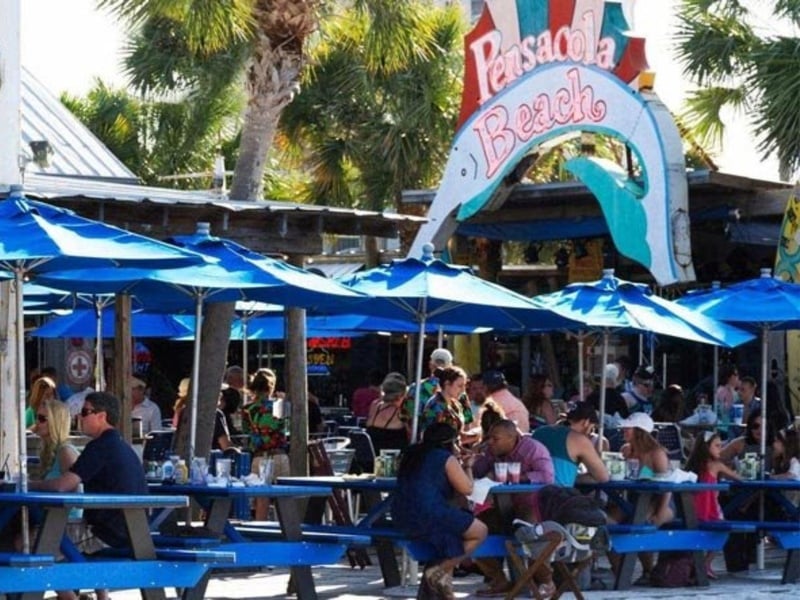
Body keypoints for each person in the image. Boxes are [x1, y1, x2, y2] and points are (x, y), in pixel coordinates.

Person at [30, 391, 148, 591]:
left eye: (85, 412)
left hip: (108, 534)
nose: (79, 417)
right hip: (129, 530)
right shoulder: (119, 446)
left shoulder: (100, 447)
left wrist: (29, 485)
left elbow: (63, 485)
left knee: (32, 541)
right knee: (48, 538)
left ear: (102, 416)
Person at [391, 423, 488, 599]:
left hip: (401, 514)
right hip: (430, 513)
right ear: (449, 442)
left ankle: (441, 588)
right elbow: (467, 489)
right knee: (480, 531)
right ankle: (439, 570)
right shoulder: (444, 457)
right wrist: (467, 466)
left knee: (451, 537)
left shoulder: (411, 455)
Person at [471, 420, 555, 596]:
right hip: (503, 505)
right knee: (471, 528)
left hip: (532, 503)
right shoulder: (492, 451)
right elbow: (478, 472)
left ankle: (546, 581)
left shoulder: (533, 449)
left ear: (512, 438)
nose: (491, 442)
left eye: (496, 439)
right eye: (489, 438)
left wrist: (517, 477)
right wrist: (475, 458)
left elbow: (547, 477)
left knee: (527, 530)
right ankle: (498, 579)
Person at [685, 431, 741, 579]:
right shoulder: (716, 465)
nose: (720, 449)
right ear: (706, 447)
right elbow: (739, 479)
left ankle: (697, 563)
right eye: (717, 446)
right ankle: (706, 563)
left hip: (692, 510)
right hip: (710, 509)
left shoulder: (691, 465)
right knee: (724, 532)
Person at [243, 367, 289, 519]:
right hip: (278, 455)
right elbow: (286, 428)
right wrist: (284, 401)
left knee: (261, 500)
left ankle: (259, 530)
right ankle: (287, 530)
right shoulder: (279, 406)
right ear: (272, 386)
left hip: (258, 457)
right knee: (283, 499)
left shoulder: (247, 409)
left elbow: (246, 430)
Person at [531, 402, 609, 487]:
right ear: (586, 422)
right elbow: (603, 477)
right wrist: (575, 478)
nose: (590, 434)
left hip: (528, 493)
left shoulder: (539, 432)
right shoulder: (579, 440)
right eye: (591, 428)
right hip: (558, 496)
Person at [418, 366, 477, 446]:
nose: (463, 390)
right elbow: (434, 439)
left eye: (464, 385)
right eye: (459, 386)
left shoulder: (455, 404)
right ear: (447, 384)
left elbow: (456, 435)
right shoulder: (435, 406)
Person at [365, 372, 410, 453]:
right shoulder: (402, 411)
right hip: (391, 459)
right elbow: (410, 435)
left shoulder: (374, 405)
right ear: (401, 395)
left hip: (371, 456)